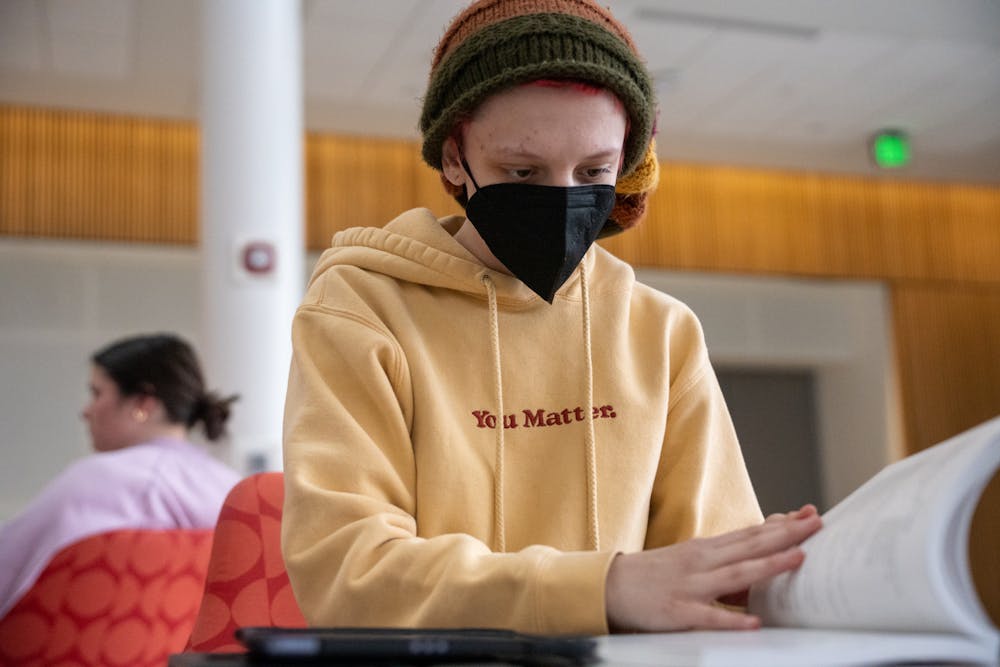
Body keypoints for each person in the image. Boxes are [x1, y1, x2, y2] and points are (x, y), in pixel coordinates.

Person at [282, 0, 822, 635]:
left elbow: (717, 577)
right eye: (522, 171)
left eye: (594, 171)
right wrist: (603, 587)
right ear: (454, 158)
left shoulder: (662, 333)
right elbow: (344, 574)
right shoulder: (361, 311)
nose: (564, 198)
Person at [0, 333, 241, 617]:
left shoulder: (93, 481)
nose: (86, 411)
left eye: (96, 393)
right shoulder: (232, 489)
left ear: (143, 403)